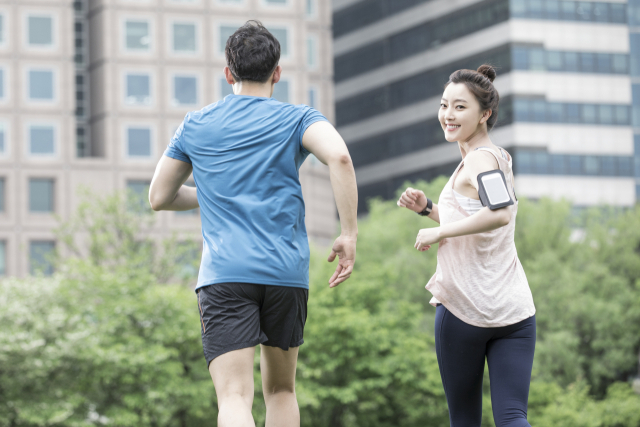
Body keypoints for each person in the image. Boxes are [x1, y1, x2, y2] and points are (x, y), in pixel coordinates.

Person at [148, 21, 358, 427]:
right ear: (277, 73)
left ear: (228, 73)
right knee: (281, 391)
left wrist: (212, 194)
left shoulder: (196, 124)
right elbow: (341, 158)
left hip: (224, 275)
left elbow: (159, 197)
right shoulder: (299, 119)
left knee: (234, 396)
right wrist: (348, 233)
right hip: (285, 274)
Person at [397, 65, 536, 427]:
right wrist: (429, 210)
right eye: (445, 105)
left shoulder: (478, 158)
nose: (448, 115)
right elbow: (481, 222)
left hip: (464, 309)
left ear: (485, 114)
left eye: (460, 107)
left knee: (464, 420)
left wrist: (439, 234)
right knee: (513, 417)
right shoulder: (498, 157)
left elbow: (501, 213)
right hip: (515, 312)